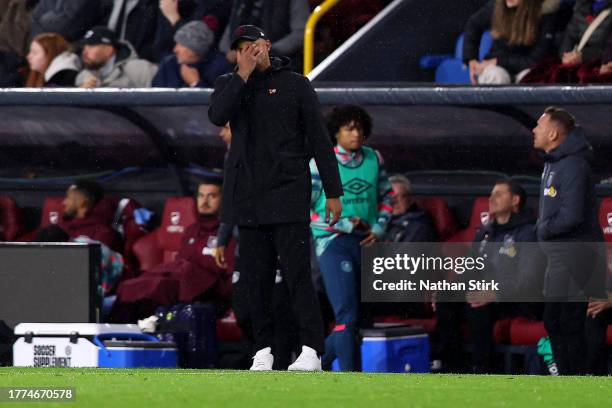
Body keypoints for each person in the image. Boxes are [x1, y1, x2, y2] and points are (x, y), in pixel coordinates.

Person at [208, 24, 343, 371]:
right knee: (257, 280)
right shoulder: (229, 84)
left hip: (287, 192)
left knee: (298, 275)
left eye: (253, 45)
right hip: (248, 195)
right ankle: (262, 350)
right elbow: (216, 115)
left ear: (267, 45)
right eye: (240, 48)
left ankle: (311, 349)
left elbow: (319, 140)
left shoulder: (296, 85)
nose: (248, 52)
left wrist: (333, 192)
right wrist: (243, 75)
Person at [310, 104, 394, 371]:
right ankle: (351, 378)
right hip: (333, 242)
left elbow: (388, 197)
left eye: (359, 128)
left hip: (368, 242)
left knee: (360, 319)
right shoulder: (320, 162)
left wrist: (379, 228)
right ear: (336, 133)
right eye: (349, 128)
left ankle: (313, 365)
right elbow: (305, 208)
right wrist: (345, 223)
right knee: (346, 314)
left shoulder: (374, 158)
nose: (355, 133)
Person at [532, 106, 605, 375]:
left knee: (570, 323)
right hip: (560, 256)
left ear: (553, 134)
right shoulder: (555, 162)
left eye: (539, 125)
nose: (534, 130)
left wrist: (543, 229)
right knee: (554, 321)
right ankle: (567, 380)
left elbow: (572, 215)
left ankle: (579, 384)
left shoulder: (574, 164)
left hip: (578, 255)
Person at [115, 178, 237, 319]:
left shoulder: (230, 234)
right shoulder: (192, 230)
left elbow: (230, 279)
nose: (205, 201)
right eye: (201, 195)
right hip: (181, 290)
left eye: (212, 196)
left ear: (225, 199)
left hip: (209, 295)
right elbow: (179, 267)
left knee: (157, 287)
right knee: (129, 287)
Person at [463, 0, 557, 84]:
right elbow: (473, 25)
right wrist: (471, 59)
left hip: (525, 67)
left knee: (530, 78)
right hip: (497, 67)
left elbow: (535, 61)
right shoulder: (497, 6)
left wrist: (499, 61)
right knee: (496, 76)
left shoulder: (544, 15)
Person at [219, 0, 309, 70]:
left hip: (278, 63)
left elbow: (301, 34)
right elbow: (227, 35)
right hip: (238, 64)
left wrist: (265, 50)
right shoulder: (241, 2)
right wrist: (233, 51)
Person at [75, 26, 158, 88]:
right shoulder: (82, 77)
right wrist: (82, 94)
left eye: (91, 46)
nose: (84, 52)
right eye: (84, 47)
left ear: (108, 50)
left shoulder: (141, 70)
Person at [152, 21, 229, 88]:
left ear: (195, 48)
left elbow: (220, 103)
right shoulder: (169, 64)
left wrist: (196, 84)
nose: (175, 50)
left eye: (182, 45)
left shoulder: (221, 68)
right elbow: (155, 97)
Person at [61, 179, 123, 253]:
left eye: (69, 197)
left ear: (82, 202)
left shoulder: (104, 235)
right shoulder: (62, 227)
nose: (63, 202)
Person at [558, 0, 612, 67]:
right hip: (573, 59)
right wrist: (566, 55)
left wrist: (583, 56)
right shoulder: (581, 5)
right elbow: (570, 35)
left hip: (597, 64)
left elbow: (608, 48)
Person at [384, 175, 436, 243]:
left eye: (399, 196)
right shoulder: (384, 222)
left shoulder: (418, 227)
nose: (394, 201)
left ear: (411, 199)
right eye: (390, 197)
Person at [29, 0, 108, 42]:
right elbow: (36, 14)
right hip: (40, 39)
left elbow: (65, 27)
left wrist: (43, 19)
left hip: (63, 46)